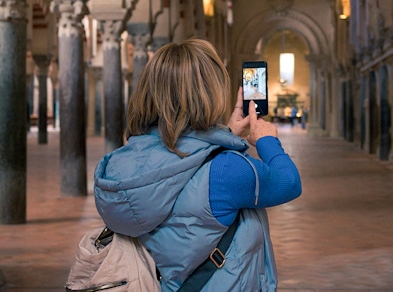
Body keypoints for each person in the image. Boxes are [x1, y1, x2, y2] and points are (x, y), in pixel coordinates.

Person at [94, 38, 302, 291]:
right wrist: (267, 140)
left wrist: (224, 133)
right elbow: (289, 182)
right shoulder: (227, 170)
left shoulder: (121, 160)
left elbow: (183, 155)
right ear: (210, 93)